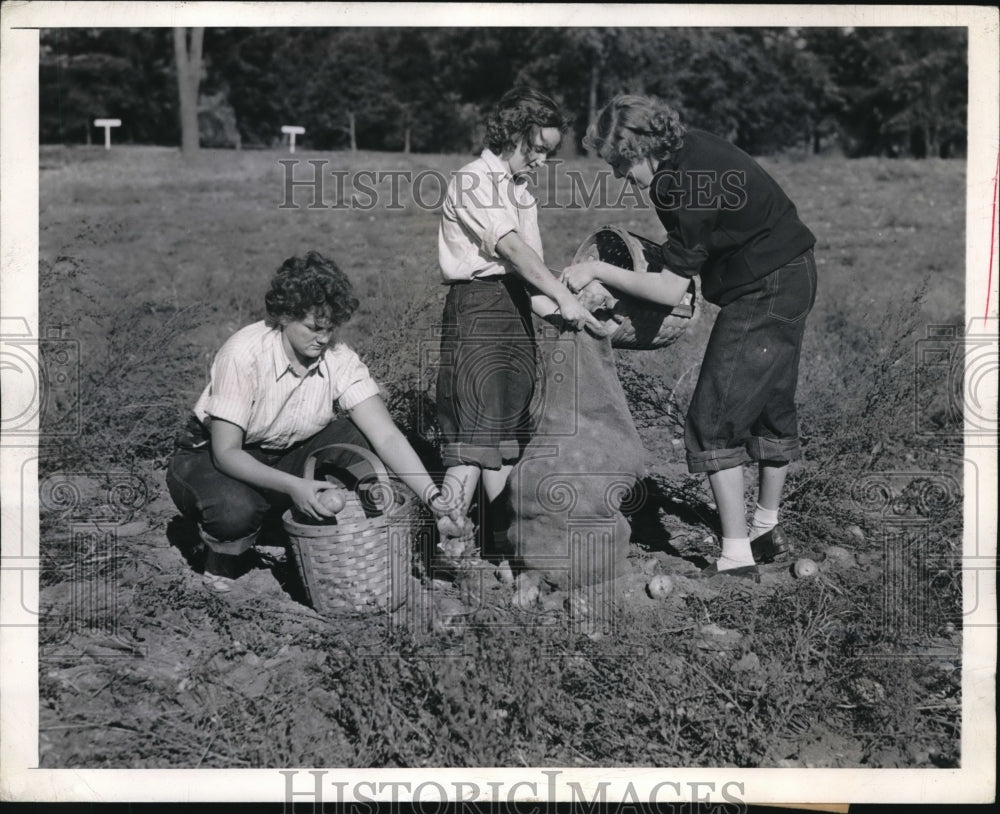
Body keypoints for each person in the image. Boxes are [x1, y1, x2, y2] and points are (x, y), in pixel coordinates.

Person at [562, 95, 817, 577]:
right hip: (794, 271)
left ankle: (736, 556)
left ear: (641, 149)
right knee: (769, 402)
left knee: (712, 417)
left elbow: (667, 290)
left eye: (621, 164)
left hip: (765, 287)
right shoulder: (693, 149)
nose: (620, 176)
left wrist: (596, 268)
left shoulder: (678, 185)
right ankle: (765, 528)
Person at [167, 251, 471, 592]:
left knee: (359, 438)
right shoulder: (244, 354)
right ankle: (224, 551)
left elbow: (386, 436)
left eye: (330, 328)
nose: (323, 338)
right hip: (212, 456)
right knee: (234, 510)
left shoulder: (338, 357)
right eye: (313, 328)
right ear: (284, 316)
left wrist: (433, 496)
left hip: (286, 450)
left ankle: (312, 534)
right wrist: (294, 487)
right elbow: (227, 452)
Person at [435, 87, 601, 555]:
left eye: (549, 152)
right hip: (477, 311)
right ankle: (441, 541)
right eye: (540, 150)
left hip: (514, 314)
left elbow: (528, 281)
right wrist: (561, 296)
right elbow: (510, 249)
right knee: (472, 441)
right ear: (514, 135)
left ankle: (504, 543)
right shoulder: (473, 180)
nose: (543, 162)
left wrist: (574, 315)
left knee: (507, 440)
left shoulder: (522, 192)